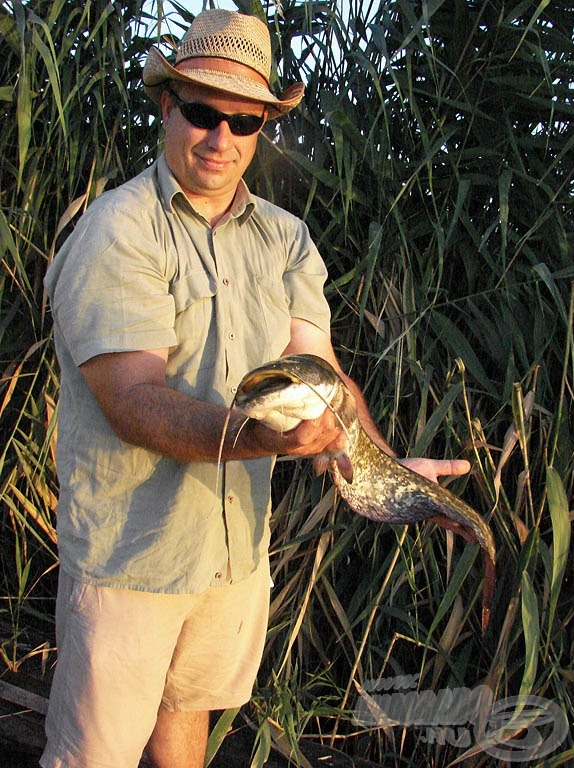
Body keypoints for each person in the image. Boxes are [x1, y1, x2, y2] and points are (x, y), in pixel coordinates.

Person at [40, 10, 470, 768]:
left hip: (234, 554)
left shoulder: (285, 238)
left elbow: (324, 375)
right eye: (203, 112)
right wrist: (261, 440)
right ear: (168, 104)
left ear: (262, 127)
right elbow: (132, 402)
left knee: (188, 720)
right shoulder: (120, 231)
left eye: (243, 121)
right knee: (92, 756)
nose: (221, 138)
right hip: (131, 558)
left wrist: (390, 471)